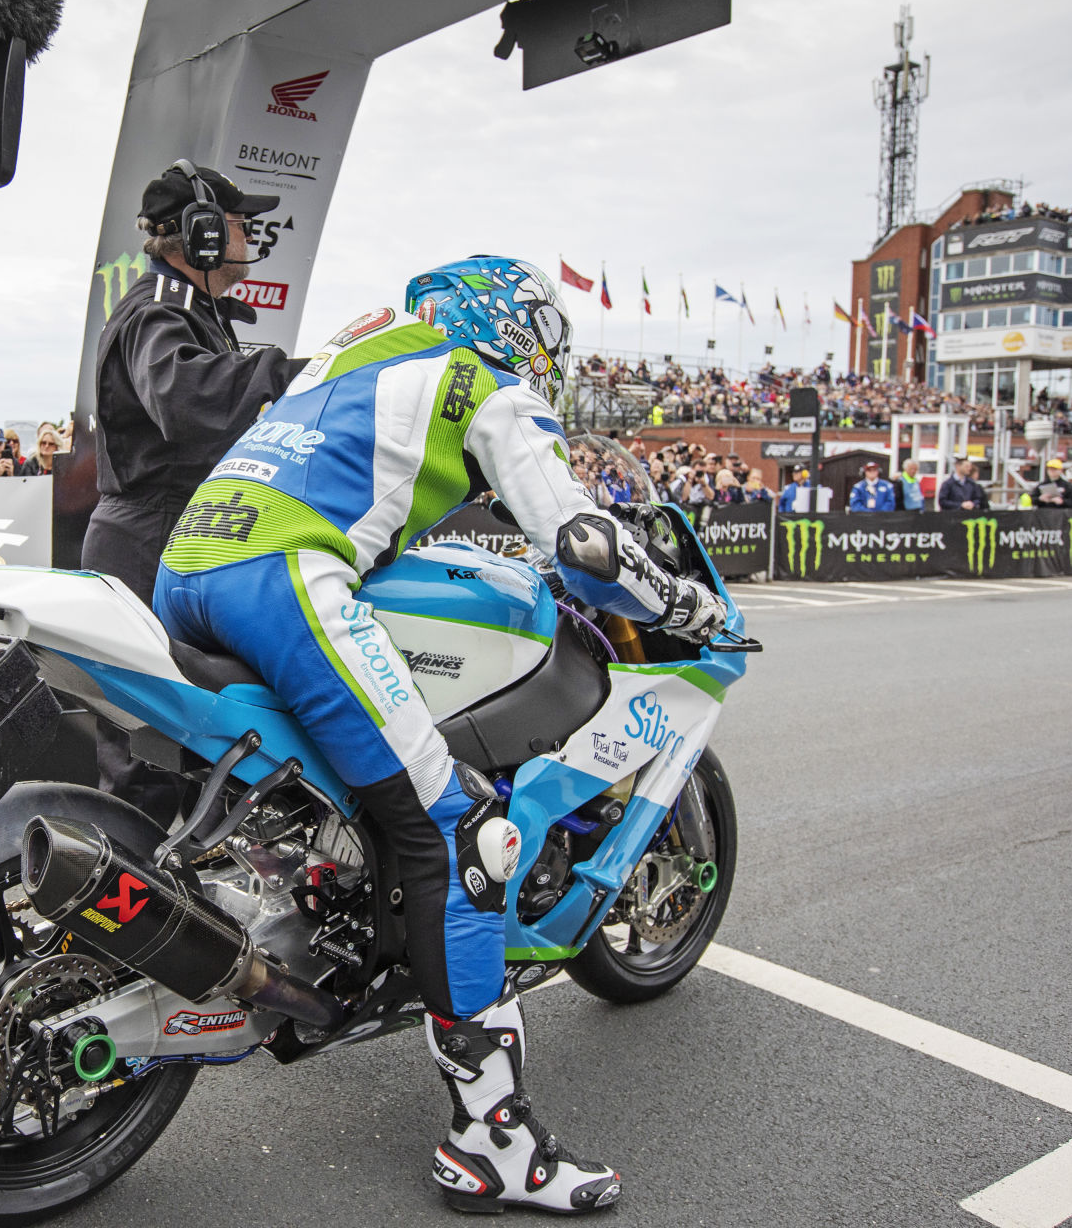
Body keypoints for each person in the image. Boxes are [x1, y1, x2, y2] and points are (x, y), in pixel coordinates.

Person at [153, 257, 725, 1215]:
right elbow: (583, 544)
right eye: (540, 341)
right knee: (461, 835)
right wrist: (682, 602)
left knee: (343, 793)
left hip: (187, 570)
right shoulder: (484, 383)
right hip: (281, 580)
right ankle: (490, 1145)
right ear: (511, 325)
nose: (541, 362)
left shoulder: (347, 358)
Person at [84, 161, 302, 822]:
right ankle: (112, 912)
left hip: (166, 532)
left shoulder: (191, 308)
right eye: (239, 222)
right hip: (151, 537)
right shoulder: (162, 307)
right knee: (147, 759)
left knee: (180, 750)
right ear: (203, 234)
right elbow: (184, 398)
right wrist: (299, 374)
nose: (248, 234)